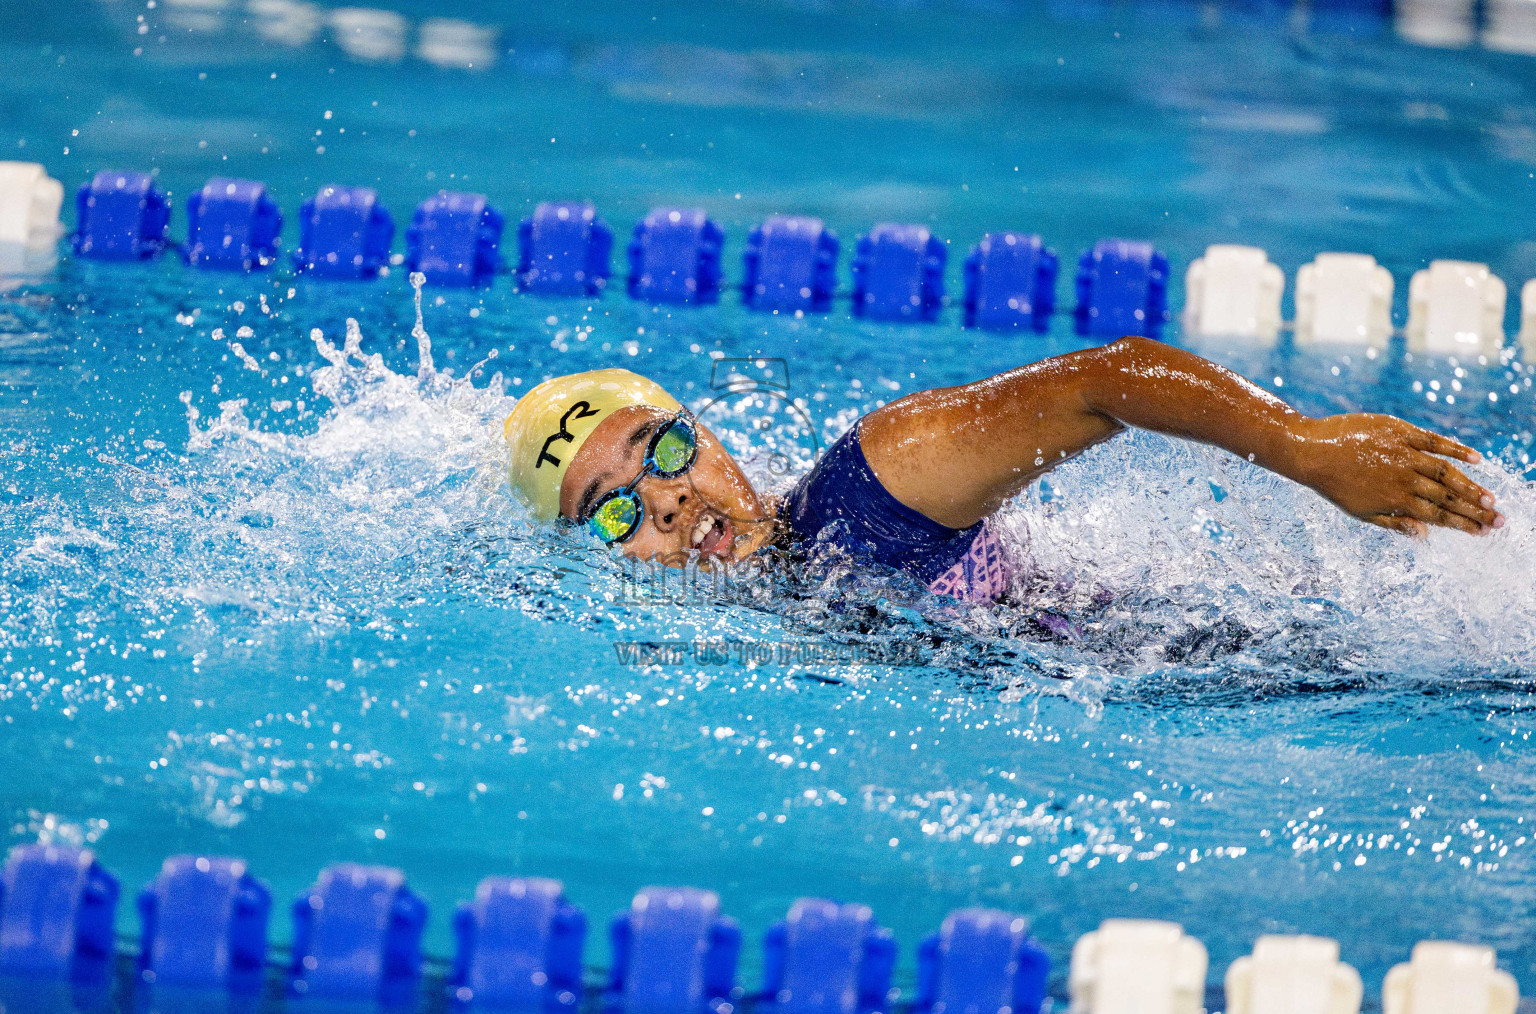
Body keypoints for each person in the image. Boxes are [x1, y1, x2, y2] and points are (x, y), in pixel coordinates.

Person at [502, 336, 1504, 602]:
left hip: (1233, 668)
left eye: (666, 451)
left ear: (711, 436)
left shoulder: (875, 486)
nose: (669, 500)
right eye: (612, 514)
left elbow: (1107, 381)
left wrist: (1310, 449)